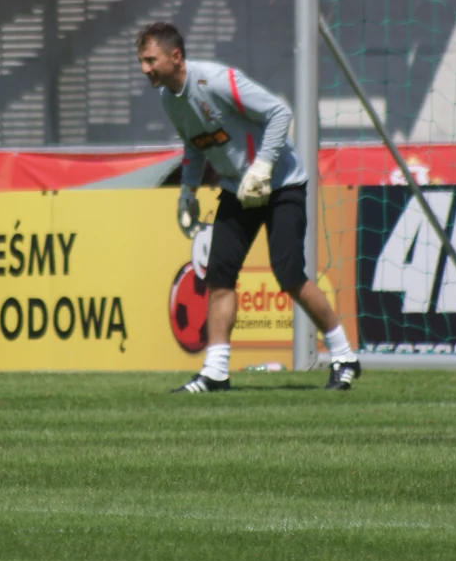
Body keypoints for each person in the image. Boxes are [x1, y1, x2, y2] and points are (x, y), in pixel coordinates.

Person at [136, 21, 360, 392]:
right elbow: (195, 145)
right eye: (142, 61)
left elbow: (279, 114)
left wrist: (263, 166)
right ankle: (215, 374)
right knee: (219, 275)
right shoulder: (167, 100)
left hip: (283, 183)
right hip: (236, 190)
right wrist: (187, 192)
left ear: (175, 57)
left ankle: (344, 356)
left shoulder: (216, 81)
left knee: (289, 273)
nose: (144, 69)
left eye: (150, 60)